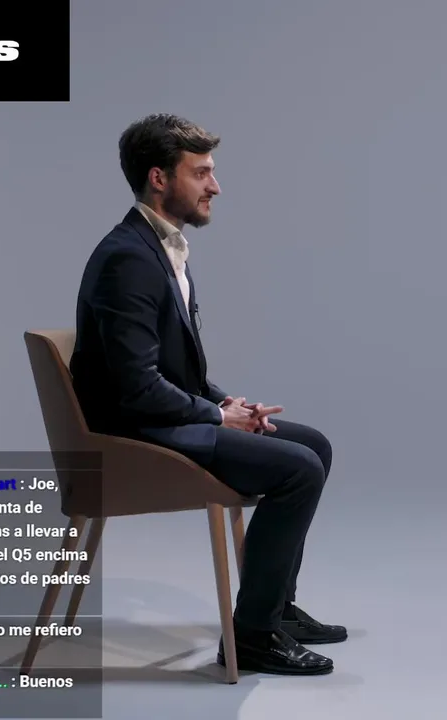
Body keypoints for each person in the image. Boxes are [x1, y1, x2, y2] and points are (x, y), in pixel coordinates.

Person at [70, 114, 343, 676]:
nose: (215, 186)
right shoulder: (128, 258)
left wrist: (226, 405)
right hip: (132, 436)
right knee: (298, 470)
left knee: (314, 445)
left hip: (158, 418)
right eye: (201, 173)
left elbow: (176, 368)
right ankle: (253, 635)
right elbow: (135, 387)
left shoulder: (159, 248)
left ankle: (274, 609)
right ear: (159, 178)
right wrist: (216, 416)